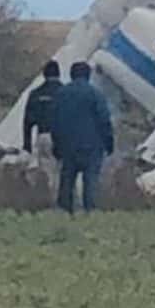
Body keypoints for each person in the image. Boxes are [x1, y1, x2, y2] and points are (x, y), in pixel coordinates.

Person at [52, 61, 114, 214]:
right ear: (88, 75)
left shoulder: (61, 94)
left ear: (71, 75)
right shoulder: (95, 94)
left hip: (68, 145)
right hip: (92, 146)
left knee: (67, 179)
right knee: (90, 180)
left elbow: (54, 121)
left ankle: (65, 211)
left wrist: (57, 144)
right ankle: (89, 211)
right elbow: (104, 121)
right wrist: (109, 143)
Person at [24, 60, 63, 157]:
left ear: (44, 74)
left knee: (47, 170)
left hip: (43, 137)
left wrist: (27, 145)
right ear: (59, 73)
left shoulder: (35, 93)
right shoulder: (67, 93)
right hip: (63, 137)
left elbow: (28, 121)